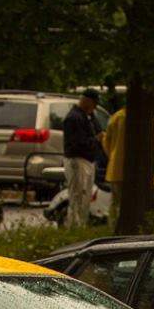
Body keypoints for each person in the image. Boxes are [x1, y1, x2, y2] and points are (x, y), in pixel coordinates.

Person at [62, 90, 105, 222]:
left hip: (89, 160)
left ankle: (82, 222)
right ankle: (75, 224)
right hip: (78, 159)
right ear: (87, 101)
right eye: (94, 104)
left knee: (86, 195)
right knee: (77, 194)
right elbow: (77, 143)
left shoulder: (89, 117)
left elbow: (98, 130)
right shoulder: (74, 118)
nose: (95, 107)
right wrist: (96, 140)